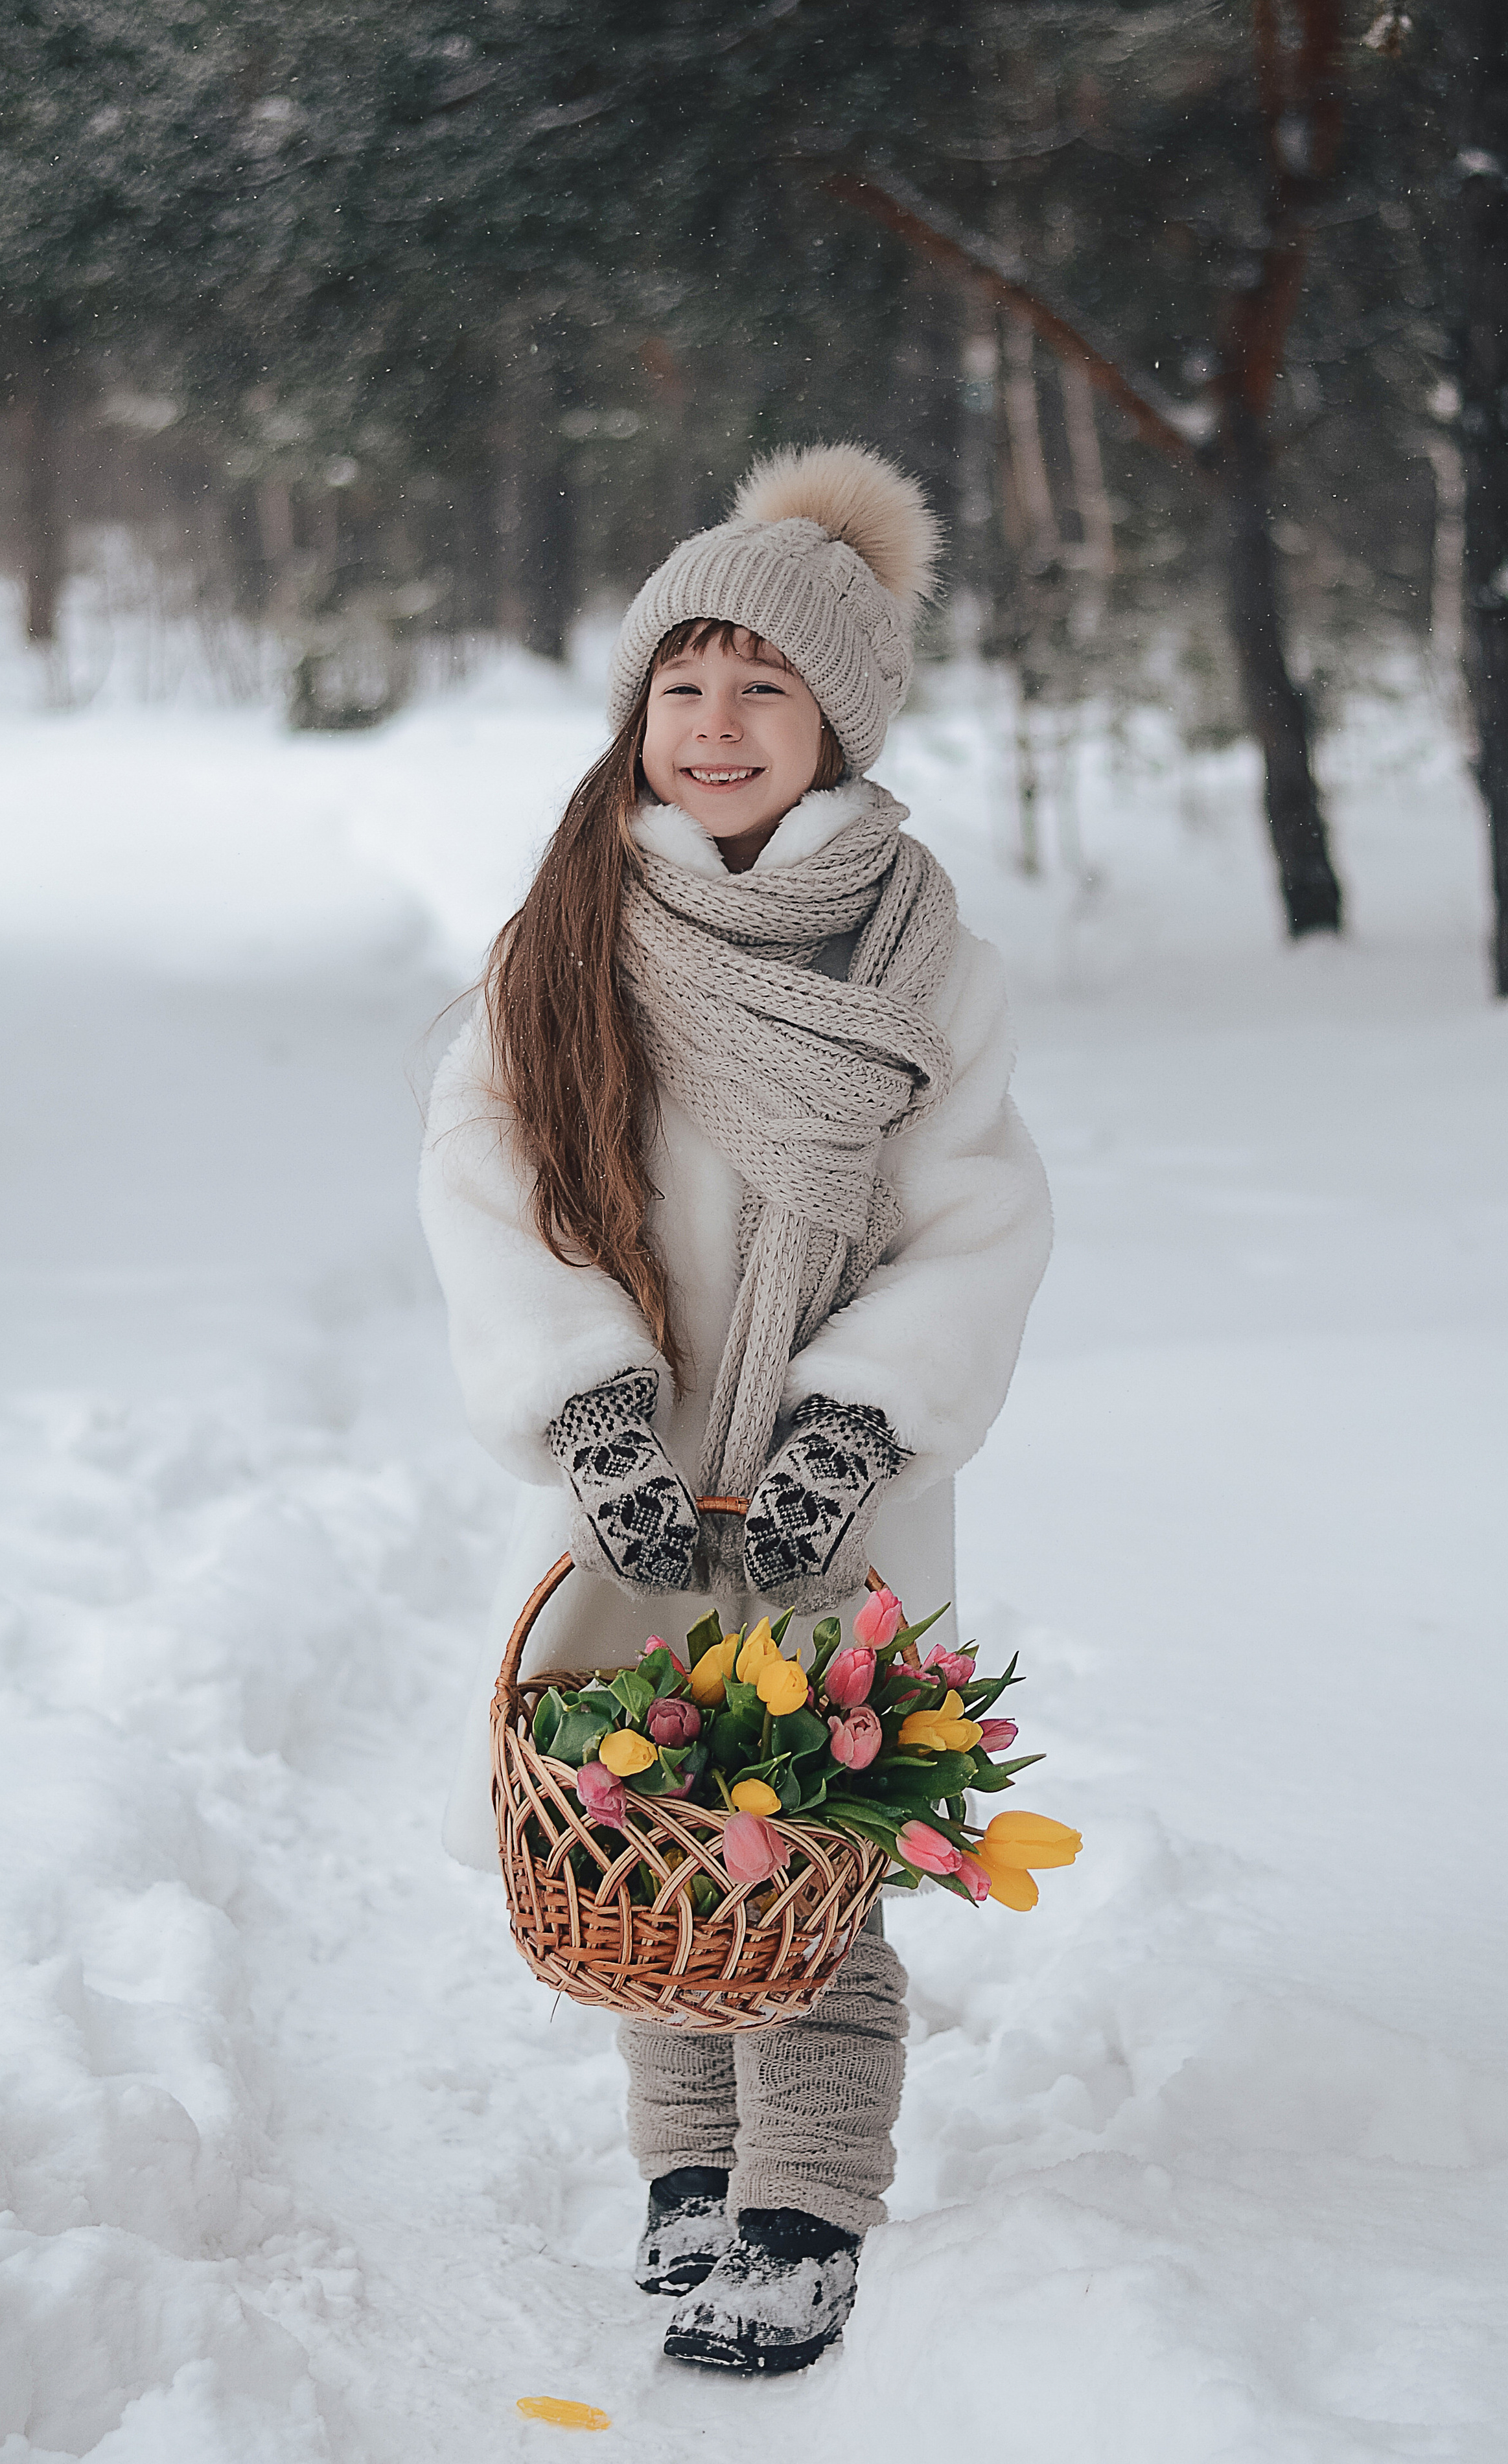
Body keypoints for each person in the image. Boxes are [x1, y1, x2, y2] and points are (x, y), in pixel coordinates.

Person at [419, 443, 1052, 2373]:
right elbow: (489, 1181)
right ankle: (687, 2169)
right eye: (681, 686)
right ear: (636, 716)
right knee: (645, 1821)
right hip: (634, 1476)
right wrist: (594, 1406)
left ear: (834, 722)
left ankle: (804, 2206)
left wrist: (858, 1416)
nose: (715, 725)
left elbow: (980, 1218)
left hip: (819, 1493)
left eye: (762, 687)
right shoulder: (571, 941)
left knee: (815, 1849)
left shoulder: (926, 962)